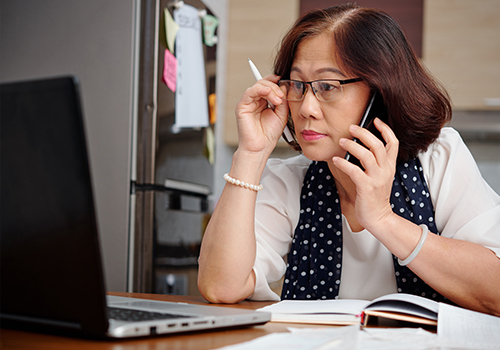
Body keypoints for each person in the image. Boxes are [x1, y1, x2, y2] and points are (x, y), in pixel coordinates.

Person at [197, 4, 500, 316]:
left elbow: (495, 292)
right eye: (298, 86)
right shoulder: (289, 180)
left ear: (380, 92)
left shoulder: (440, 158)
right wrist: (251, 153)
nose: (306, 109)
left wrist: (383, 220)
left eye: (327, 86)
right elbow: (222, 288)